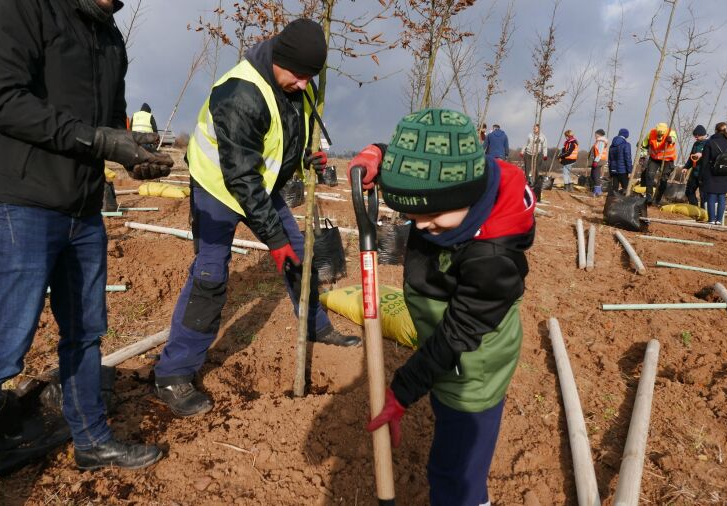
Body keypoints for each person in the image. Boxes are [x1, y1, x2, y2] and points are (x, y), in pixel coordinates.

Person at [0, 1, 175, 504]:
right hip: (21, 202)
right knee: (2, 349)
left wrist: (133, 154)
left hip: (82, 209)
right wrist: (100, 139)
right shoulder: (14, 7)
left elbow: (108, 125)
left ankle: (92, 440)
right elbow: (2, 100)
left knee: (85, 333)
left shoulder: (108, 36)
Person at [152, 19, 360, 419]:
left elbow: (282, 136)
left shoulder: (296, 83)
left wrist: (303, 160)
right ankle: (173, 374)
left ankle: (314, 325)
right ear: (279, 59)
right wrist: (273, 239)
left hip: (256, 186)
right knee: (211, 275)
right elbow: (241, 177)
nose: (303, 84)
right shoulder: (239, 93)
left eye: (310, 77)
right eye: (298, 75)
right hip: (218, 187)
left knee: (299, 255)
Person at [349, 109, 535, 506]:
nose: (418, 226)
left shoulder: (493, 258)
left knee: (455, 477)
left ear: (464, 194)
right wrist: (377, 155)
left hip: (472, 370)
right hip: (448, 355)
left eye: (431, 216)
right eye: (410, 215)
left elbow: (457, 335)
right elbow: (419, 169)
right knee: (455, 461)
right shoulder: (455, 190)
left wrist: (401, 392)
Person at [699, 122, 727, 225]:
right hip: (726, 174)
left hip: (712, 173)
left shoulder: (710, 142)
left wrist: (701, 175)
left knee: (711, 196)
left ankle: (711, 220)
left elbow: (704, 161)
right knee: (722, 196)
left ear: (716, 130)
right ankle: (719, 220)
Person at [640, 122, 678, 204]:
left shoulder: (671, 132)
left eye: (661, 135)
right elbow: (643, 145)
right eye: (658, 135)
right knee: (649, 175)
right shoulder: (651, 133)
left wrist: (670, 139)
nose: (659, 136)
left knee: (663, 179)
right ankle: (649, 196)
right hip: (654, 158)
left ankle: (658, 198)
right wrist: (643, 156)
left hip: (667, 160)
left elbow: (674, 138)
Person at [681, 125, 707, 207]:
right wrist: (686, 167)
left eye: (697, 136)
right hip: (694, 173)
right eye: (695, 136)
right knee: (689, 191)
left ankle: (704, 212)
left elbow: (713, 156)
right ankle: (694, 208)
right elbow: (691, 157)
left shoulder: (709, 143)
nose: (696, 138)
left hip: (704, 174)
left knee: (703, 196)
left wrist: (702, 154)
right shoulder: (696, 144)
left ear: (703, 134)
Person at [607, 128, 632, 194]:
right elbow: (628, 158)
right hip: (623, 171)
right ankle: (624, 203)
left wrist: (610, 171)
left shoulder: (611, 146)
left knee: (615, 188)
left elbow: (610, 159)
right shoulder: (626, 144)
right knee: (626, 188)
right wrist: (629, 171)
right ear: (626, 135)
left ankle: (613, 202)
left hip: (613, 170)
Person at [589, 129, 608, 197]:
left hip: (598, 160)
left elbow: (599, 152)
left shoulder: (601, 141)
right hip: (599, 160)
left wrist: (596, 161)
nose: (595, 135)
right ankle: (598, 190)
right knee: (594, 175)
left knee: (595, 175)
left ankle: (597, 191)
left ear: (599, 134)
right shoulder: (599, 141)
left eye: (595, 134)